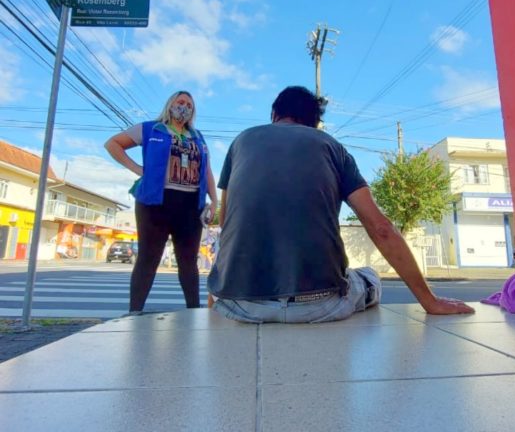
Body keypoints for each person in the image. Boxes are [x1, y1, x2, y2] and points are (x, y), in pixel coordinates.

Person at [208, 86, 474, 323]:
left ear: (274, 114)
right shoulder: (331, 147)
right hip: (319, 305)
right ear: (314, 122)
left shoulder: (241, 142)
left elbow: (226, 223)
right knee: (370, 276)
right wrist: (430, 301)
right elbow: (380, 227)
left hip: (242, 305)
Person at [105, 91, 217, 313]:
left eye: (188, 104)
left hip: (190, 204)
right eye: (180, 102)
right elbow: (113, 144)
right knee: (148, 258)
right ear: (170, 104)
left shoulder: (198, 137)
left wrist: (214, 200)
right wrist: (139, 169)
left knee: (188, 262)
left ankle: (194, 312)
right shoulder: (150, 129)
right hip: (154, 203)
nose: (184, 107)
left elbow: (207, 171)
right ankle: (135, 311)